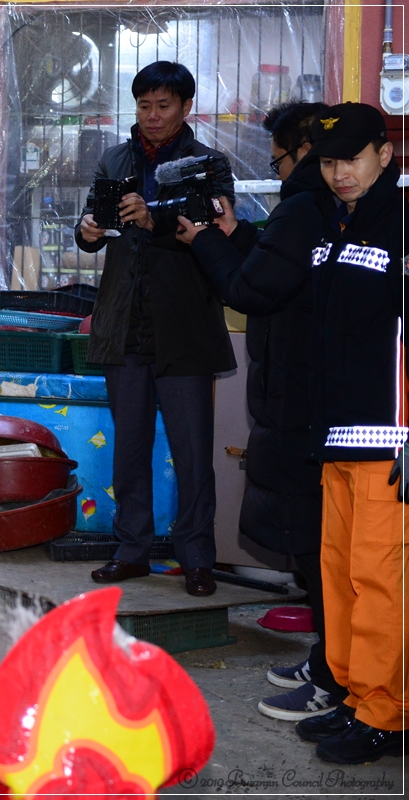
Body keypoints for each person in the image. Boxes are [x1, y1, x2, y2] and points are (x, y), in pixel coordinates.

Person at [176, 101, 343, 722]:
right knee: (317, 544)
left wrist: (202, 245)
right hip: (307, 396)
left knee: (316, 545)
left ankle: (332, 673)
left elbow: (251, 289)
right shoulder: (318, 210)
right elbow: (277, 268)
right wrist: (236, 234)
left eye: (276, 158)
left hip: (301, 401)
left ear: (300, 151)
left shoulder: (306, 208)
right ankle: (330, 659)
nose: (276, 171)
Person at [75, 61, 236, 597]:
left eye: (163, 106)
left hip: (184, 323)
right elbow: (91, 227)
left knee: (192, 451)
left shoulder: (207, 163)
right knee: (130, 446)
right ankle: (132, 550)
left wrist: (155, 219)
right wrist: (89, 230)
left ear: (186, 107)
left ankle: (196, 558)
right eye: (143, 106)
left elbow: (214, 221)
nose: (151, 116)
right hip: (124, 321)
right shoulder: (114, 158)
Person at [285, 103, 406, 765]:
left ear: (384, 157)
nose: (339, 173)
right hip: (336, 433)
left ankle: (387, 713)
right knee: (342, 577)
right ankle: (358, 698)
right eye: (328, 161)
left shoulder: (402, 224)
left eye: (351, 158)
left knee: (380, 577)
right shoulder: (339, 222)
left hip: (389, 438)